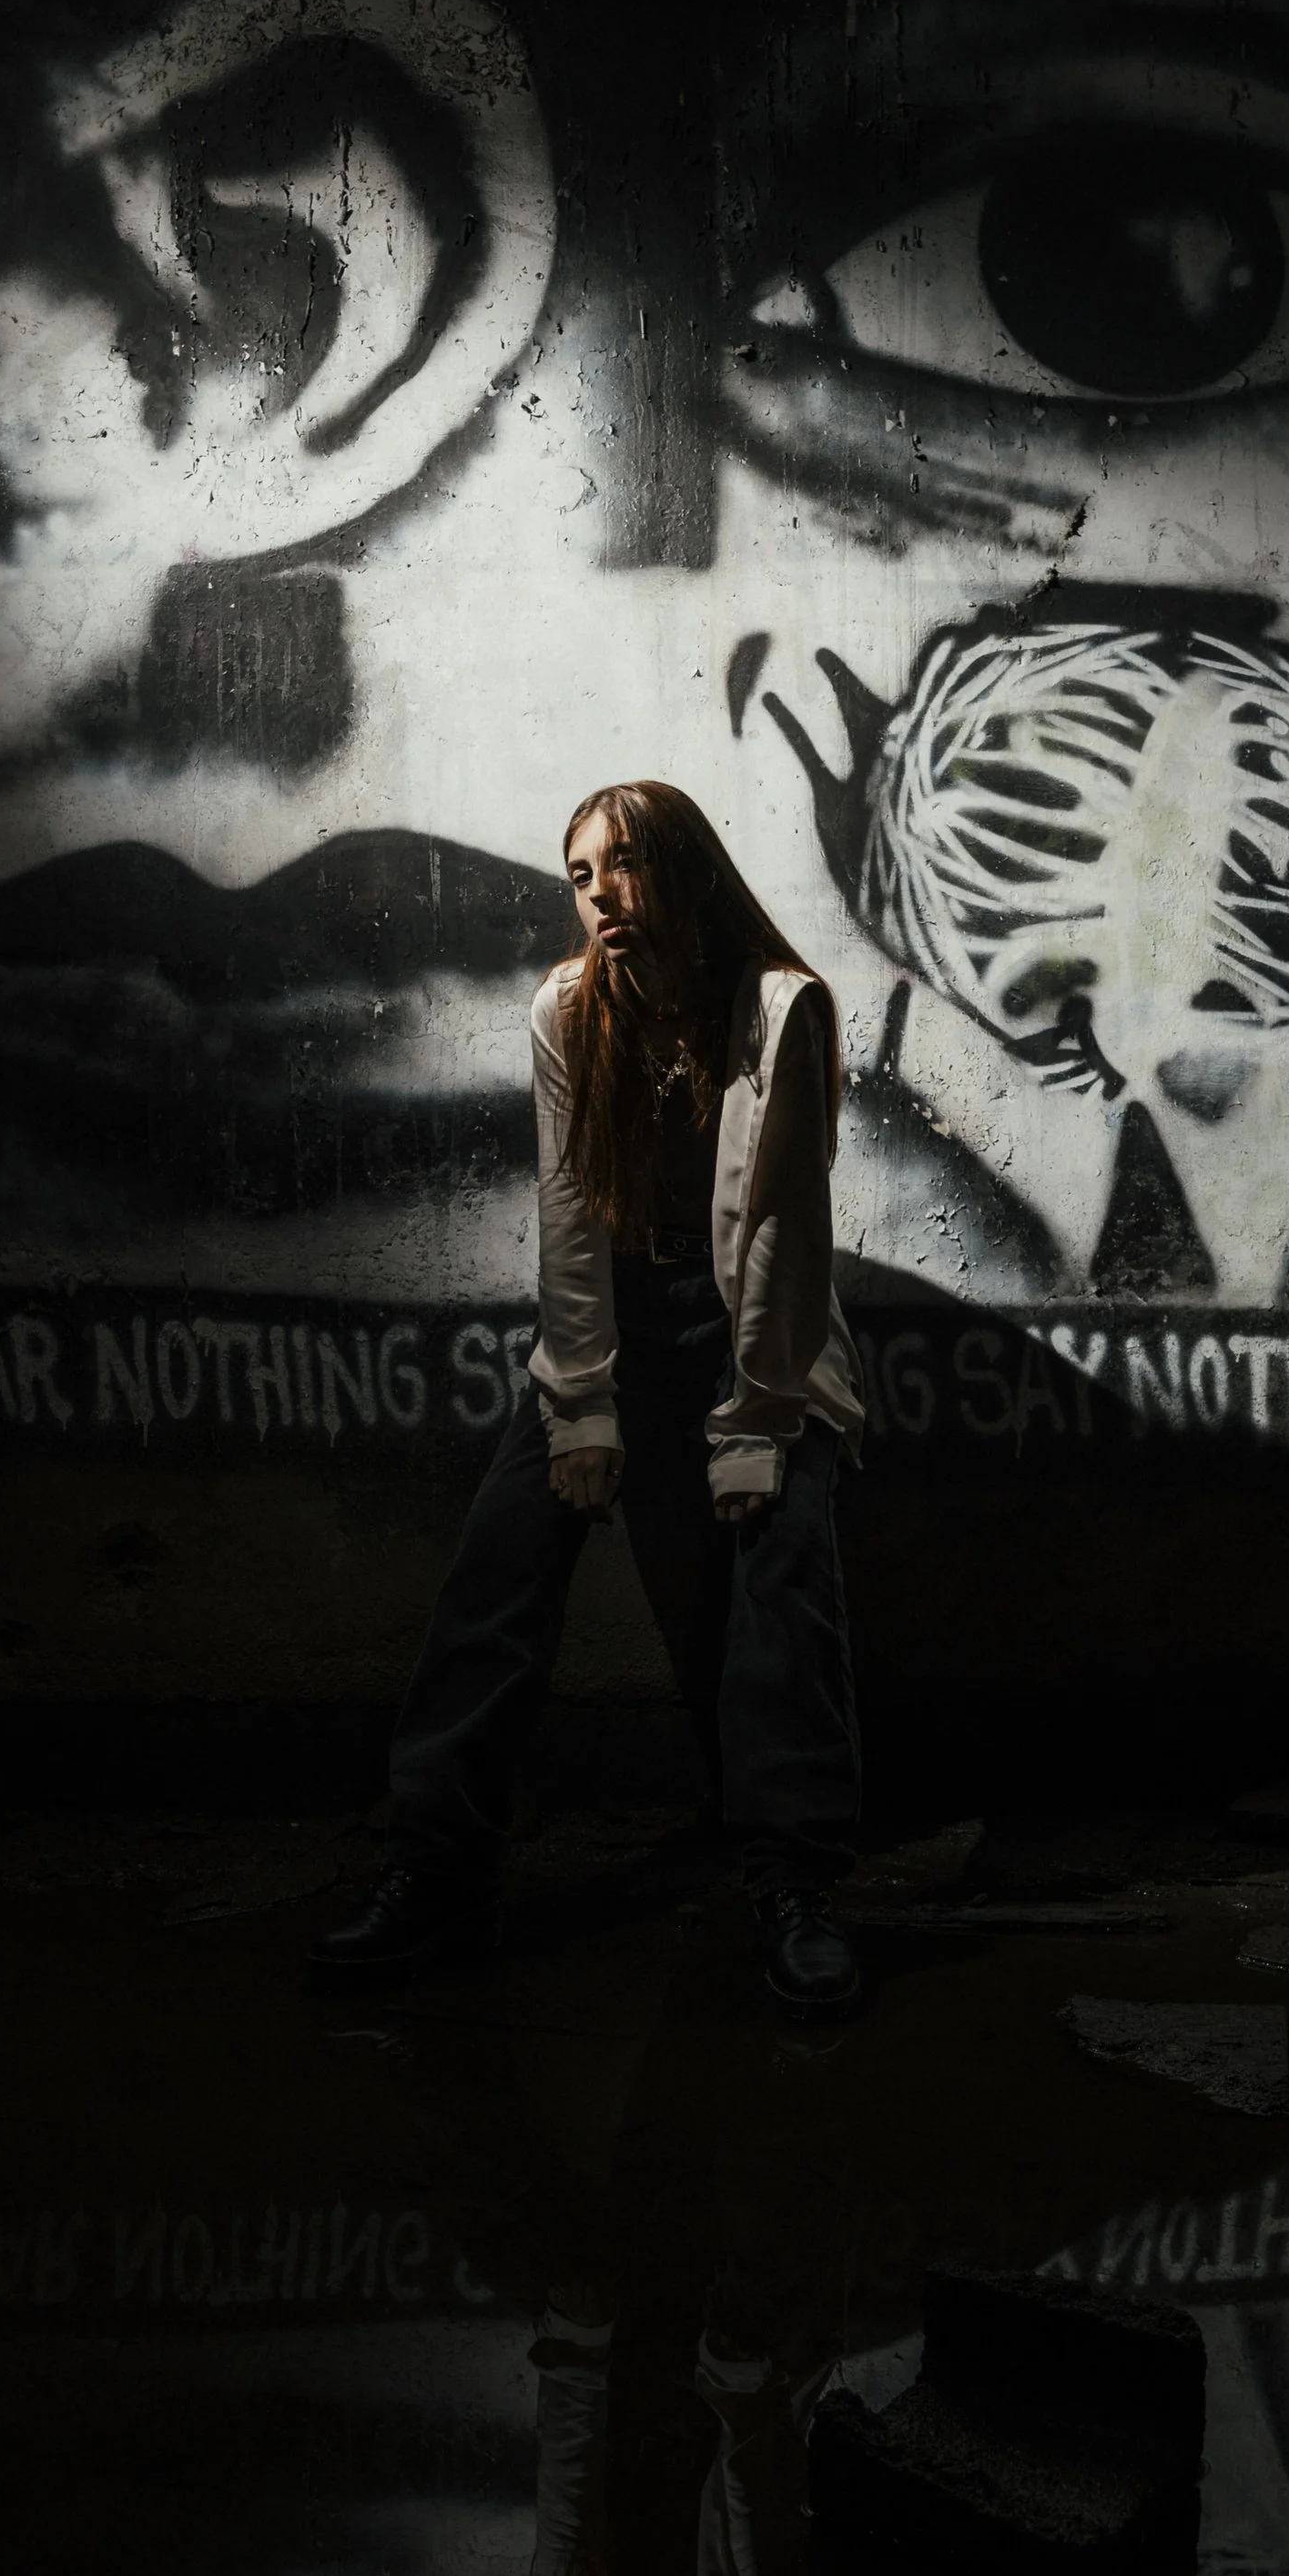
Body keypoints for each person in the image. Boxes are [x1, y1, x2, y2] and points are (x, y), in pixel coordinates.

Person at [307, 779, 867, 2013]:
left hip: (753, 1329)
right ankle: (436, 1870)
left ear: (684, 870)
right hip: (618, 1321)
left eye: (622, 866)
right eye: (579, 875)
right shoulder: (569, 1009)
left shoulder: (782, 1010)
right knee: (501, 1559)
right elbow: (570, 1218)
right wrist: (582, 1408)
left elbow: (782, 1230)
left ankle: (795, 1882)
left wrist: (757, 1423)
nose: (599, 896)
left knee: (782, 1567)